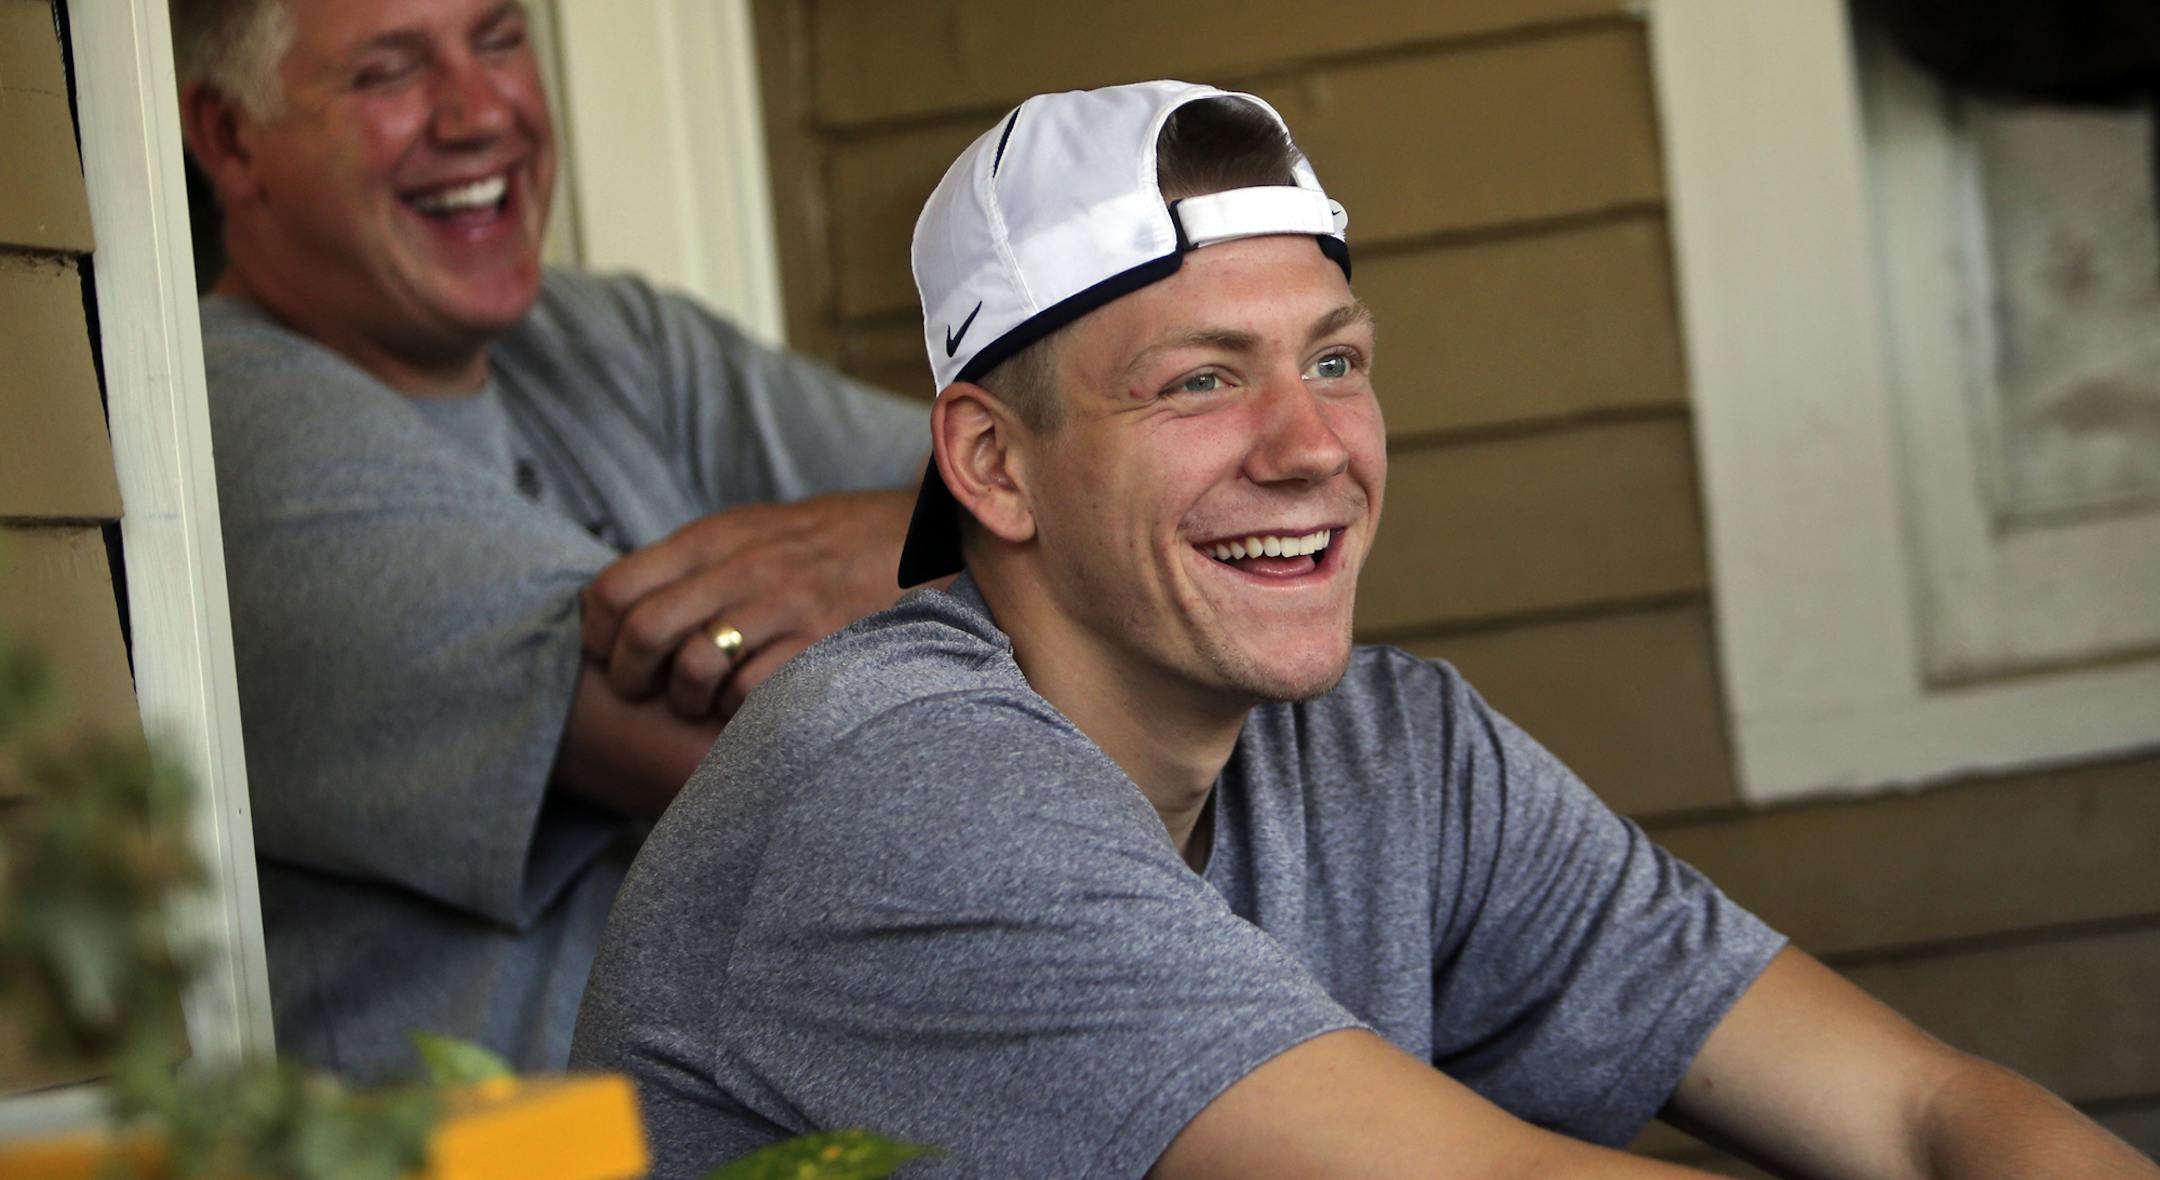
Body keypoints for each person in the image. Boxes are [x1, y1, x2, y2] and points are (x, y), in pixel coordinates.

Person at [570, 80, 2160, 1179]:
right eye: (1201, 380)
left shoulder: (1395, 754)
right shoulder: (896, 782)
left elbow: (1920, 1112)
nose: (1310, 445)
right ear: (993, 465)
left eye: (1334, 360)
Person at [170, 0, 927, 1081]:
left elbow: (1033, 494)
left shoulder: (607, 340)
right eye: (390, 71)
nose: (481, 113)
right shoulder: (221, 431)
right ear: (229, 136)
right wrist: (971, 557)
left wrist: (883, 544)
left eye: (497, 40)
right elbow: (821, 767)